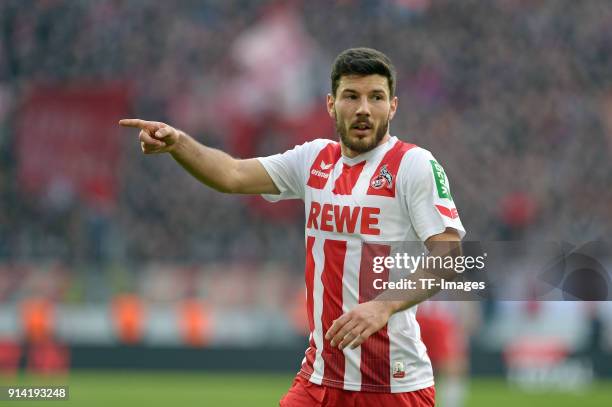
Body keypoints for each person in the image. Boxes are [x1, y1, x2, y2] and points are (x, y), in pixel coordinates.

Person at [120, 47, 466, 407]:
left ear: (392, 107)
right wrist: (179, 143)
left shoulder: (414, 165)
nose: (364, 108)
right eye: (351, 96)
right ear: (331, 105)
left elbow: (449, 254)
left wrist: (383, 306)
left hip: (393, 386)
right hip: (318, 380)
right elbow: (232, 174)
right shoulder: (313, 159)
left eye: (376, 97)